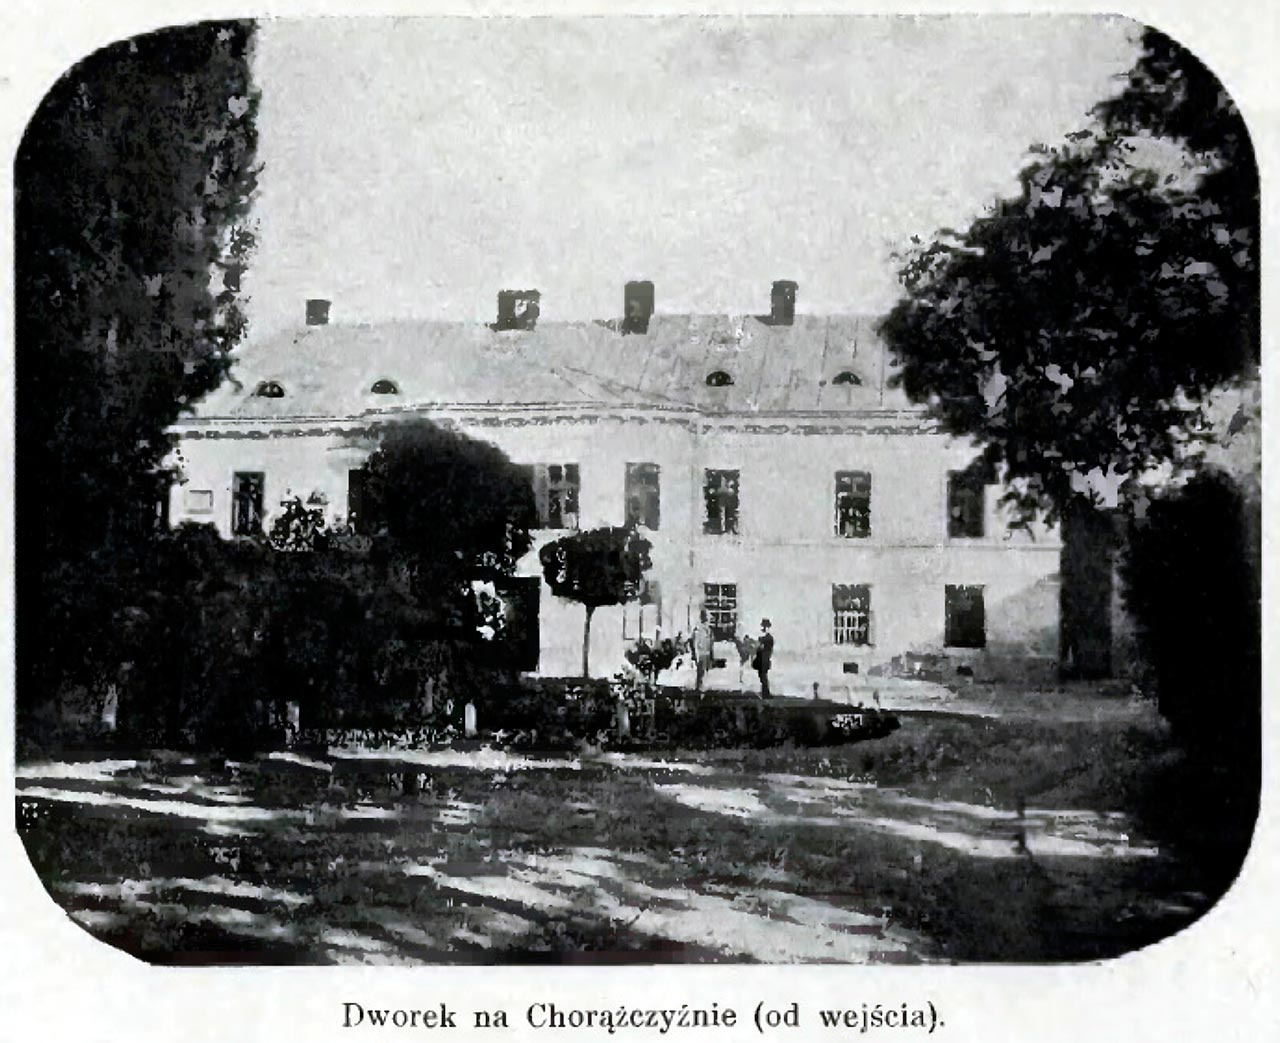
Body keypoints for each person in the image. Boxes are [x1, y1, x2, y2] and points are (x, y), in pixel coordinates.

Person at [691, 610, 714, 695]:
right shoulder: (698, 629)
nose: (709, 618)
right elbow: (696, 643)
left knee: (704, 670)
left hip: (706, 652)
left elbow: (710, 641)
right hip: (701, 653)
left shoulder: (708, 629)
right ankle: (698, 687)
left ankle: (701, 686)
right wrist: (696, 654)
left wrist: (711, 652)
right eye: (708, 616)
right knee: (700, 671)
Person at [752, 618, 774, 698]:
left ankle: (765, 693)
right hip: (764, 658)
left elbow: (760, 647)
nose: (763, 628)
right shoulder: (768, 637)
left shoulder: (767, 638)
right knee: (763, 676)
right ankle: (765, 693)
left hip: (763, 659)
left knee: (763, 676)